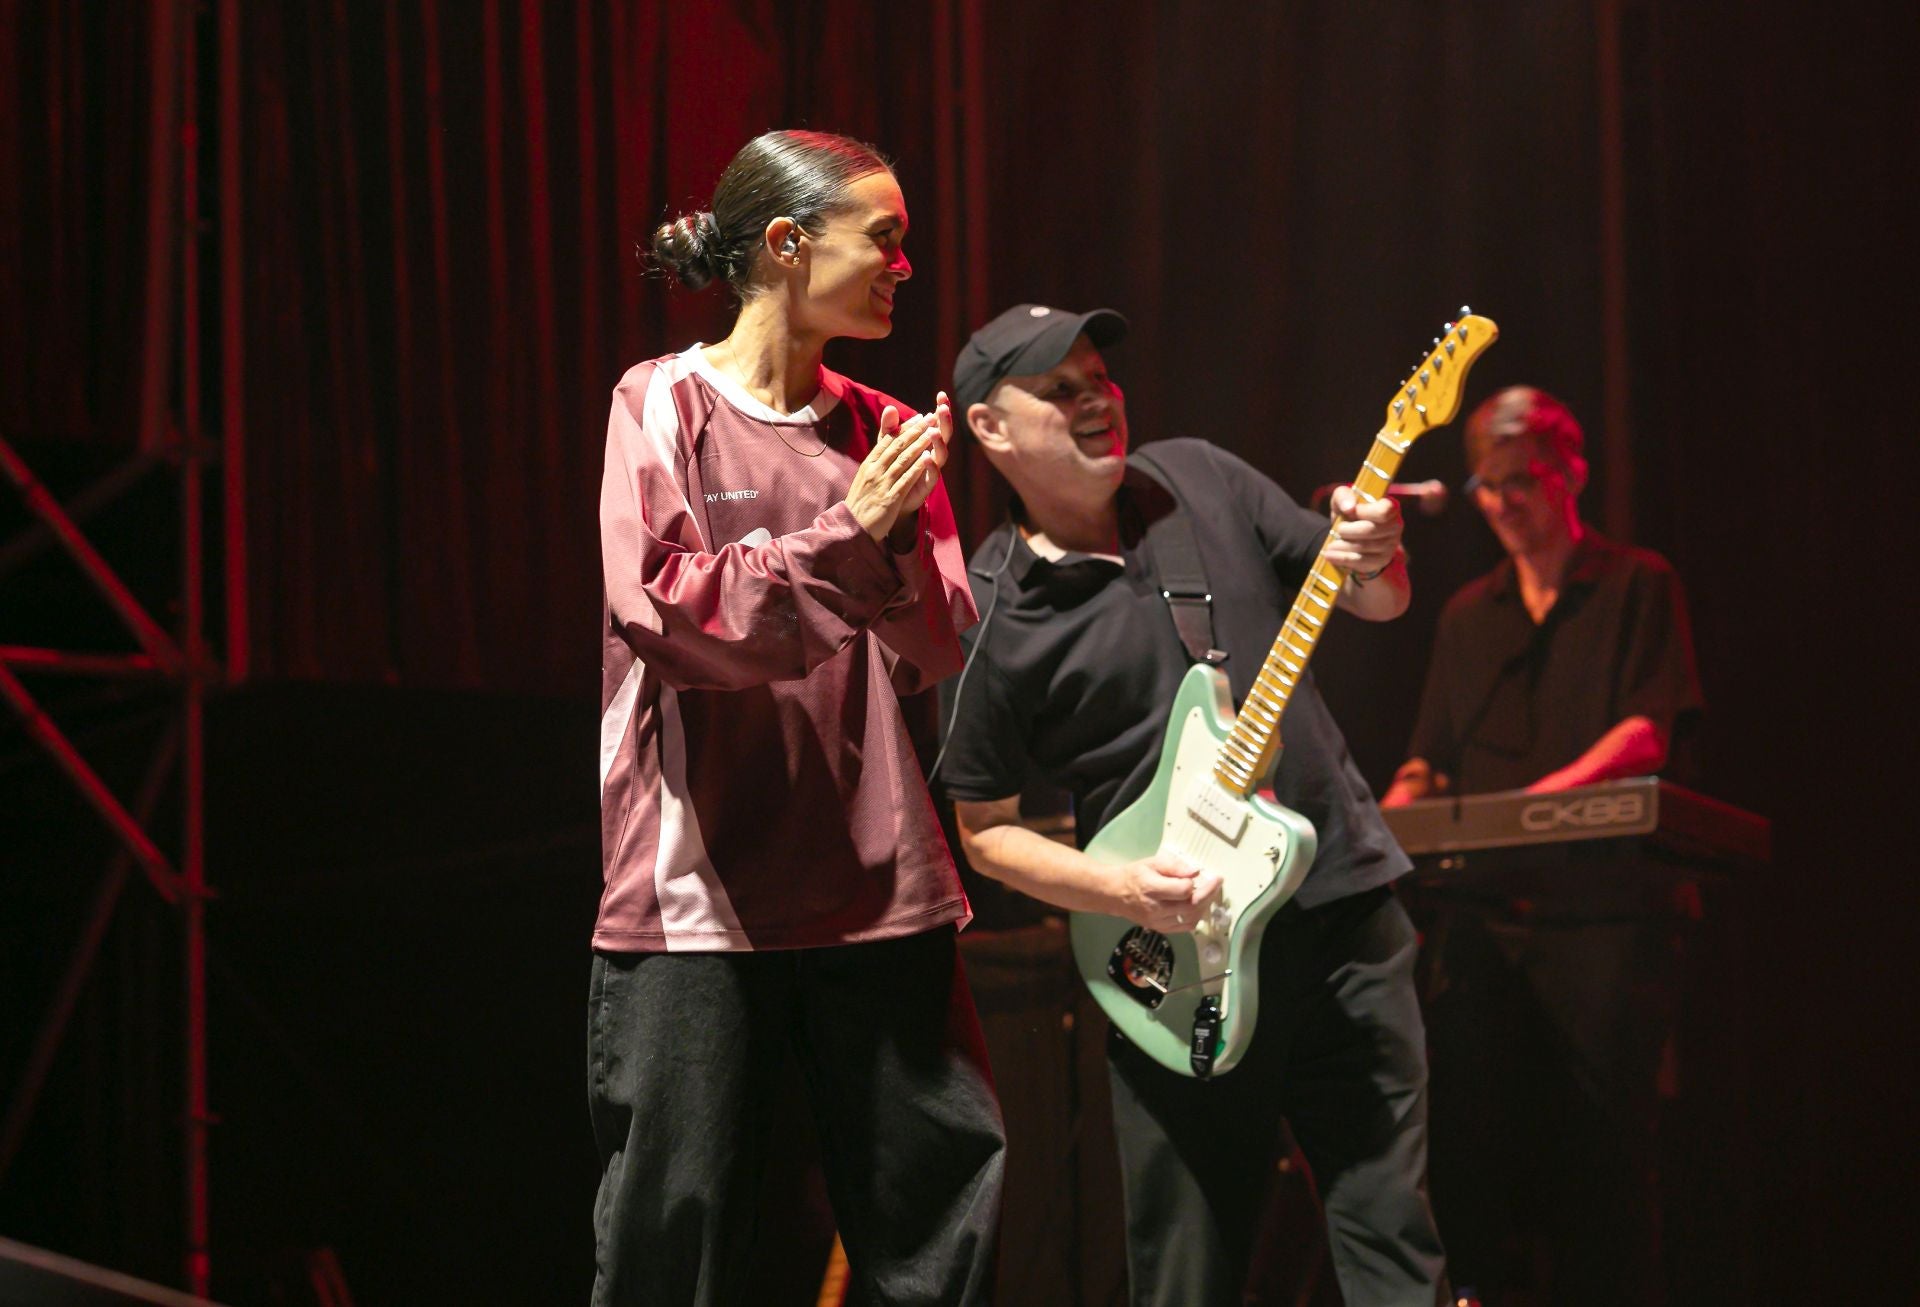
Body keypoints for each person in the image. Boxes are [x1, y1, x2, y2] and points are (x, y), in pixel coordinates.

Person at [936, 303, 1449, 1306]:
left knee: (1396, 1238)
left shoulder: (1197, 477)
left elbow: (1375, 599)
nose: (1098, 401)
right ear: (991, 429)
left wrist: (1379, 549)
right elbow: (985, 833)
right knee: (1187, 1267)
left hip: (1342, 908)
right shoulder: (988, 610)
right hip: (1177, 961)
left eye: (1102, 378)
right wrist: (1120, 884)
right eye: (1062, 389)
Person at [588, 130, 1004, 1307]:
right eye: (885, 238)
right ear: (785, 244)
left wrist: (905, 533)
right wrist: (846, 537)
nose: (903, 267)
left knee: (940, 1224)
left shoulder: (880, 427)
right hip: (698, 903)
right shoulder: (660, 401)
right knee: (679, 1247)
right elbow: (668, 616)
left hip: (880, 890)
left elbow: (930, 652)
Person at [1381, 386, 1704, 1305]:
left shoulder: (1639, 584)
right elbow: (1429, 760)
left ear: (1572, 474)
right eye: (1486, 485)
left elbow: (1646, 731)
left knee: (1600, 1154)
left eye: (1521, 480)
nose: (1502, 502)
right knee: (1476, 1145)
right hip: (1488, 921)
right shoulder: (1464, 616)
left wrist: (1527, 807)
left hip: (1606, 917)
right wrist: (1391, 811)